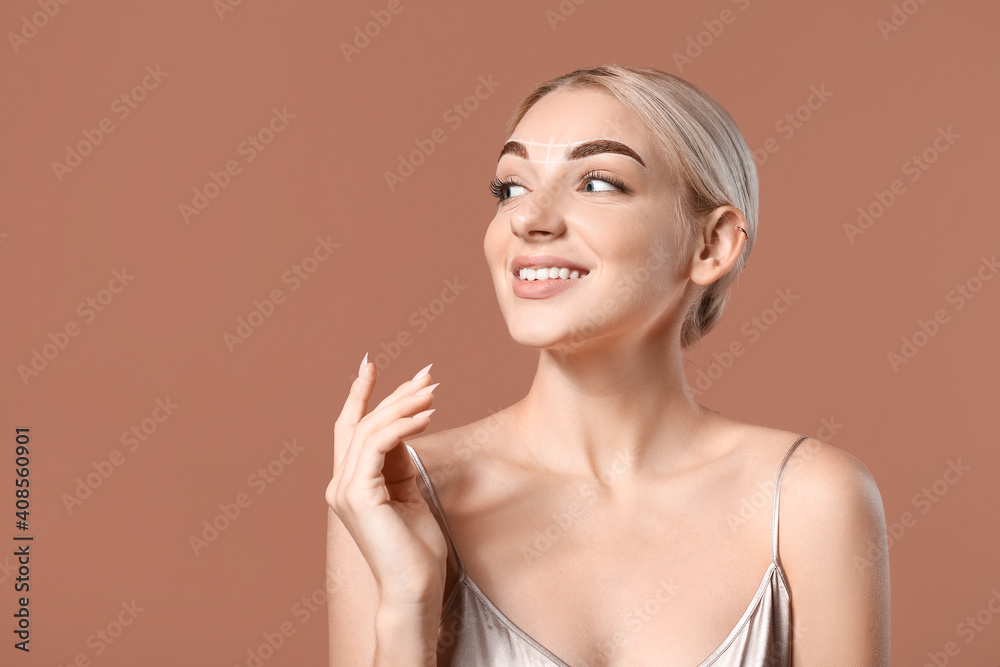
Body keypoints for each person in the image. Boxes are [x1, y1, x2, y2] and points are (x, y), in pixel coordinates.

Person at [326, 65, 891, 666]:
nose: (528, 219)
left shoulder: (810, 501)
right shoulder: (392, 496)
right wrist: (407, 605)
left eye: (597, 183)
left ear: (712, 245)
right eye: (510, 188)